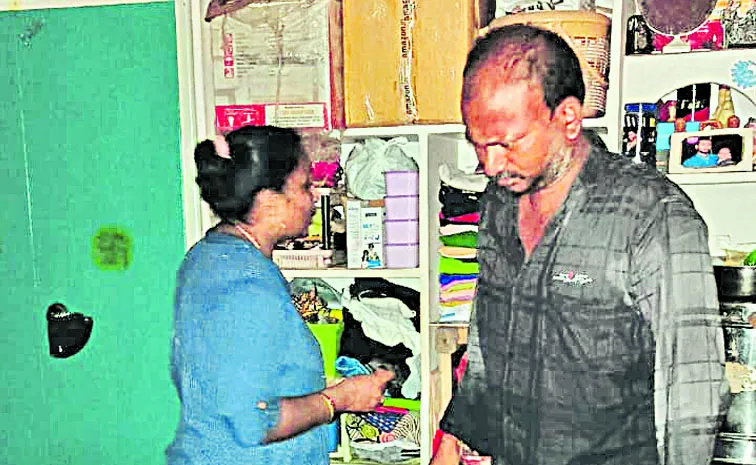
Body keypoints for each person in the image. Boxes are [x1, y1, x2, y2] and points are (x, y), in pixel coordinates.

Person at [431, 24, 729, 465]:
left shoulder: (652, 215)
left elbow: (691, 398)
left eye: (506, 143)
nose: (489, 164)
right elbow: (485, 345)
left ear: (568, 118)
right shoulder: (498, 202)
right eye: (478, 143)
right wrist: (451, 446)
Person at [166, 125, 394, 465]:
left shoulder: (209, 258)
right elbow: (253, 421)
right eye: (303, 186)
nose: (314, 197)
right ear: (269, 202)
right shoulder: (248, 286)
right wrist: (341, 398)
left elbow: (230, 378)